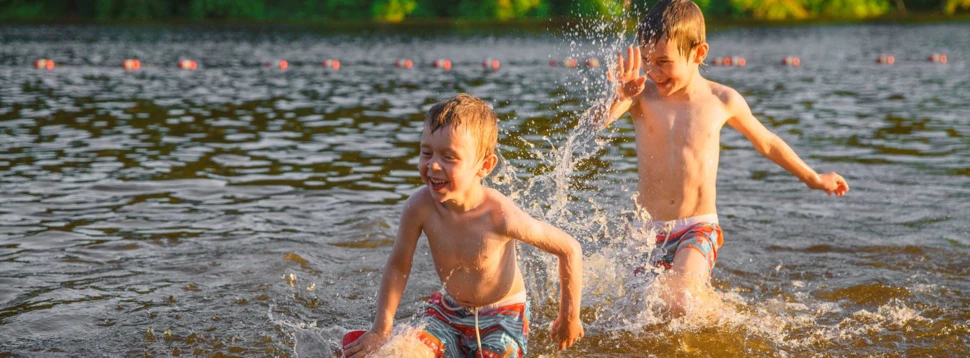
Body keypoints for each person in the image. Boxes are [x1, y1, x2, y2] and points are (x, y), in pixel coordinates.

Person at [597, 0, 849, 315]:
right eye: (647, 60)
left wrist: (813, 178)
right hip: (648, 231)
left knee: (680, 302)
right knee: (641, 311)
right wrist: (618, 96)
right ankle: (717, 311)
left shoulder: (722, 99)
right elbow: (595, 122)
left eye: (663, 61)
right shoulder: (640, 96)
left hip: (697, 225)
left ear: (698, 54)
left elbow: (767, 143)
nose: (653, 71)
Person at [343, 94, 584, 358]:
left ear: (484, 166)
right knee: (401, 352)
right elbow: (399, 265)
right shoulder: (420, 207)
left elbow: (569, 249)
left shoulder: (500, 216)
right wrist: (381, 329)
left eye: (449, 157)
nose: (433, 164)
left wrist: (569, 318)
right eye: (426, 152)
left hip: (502, 317)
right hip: (448, 312)